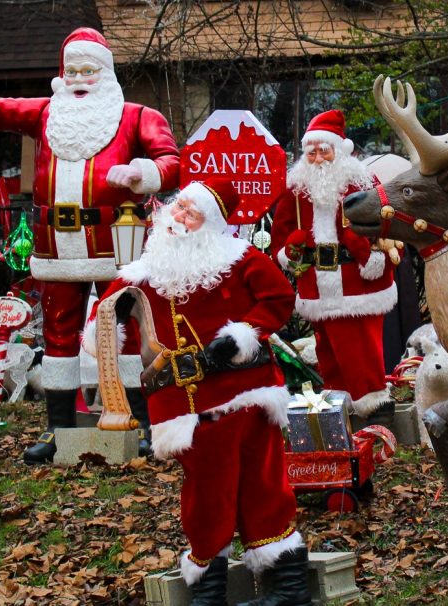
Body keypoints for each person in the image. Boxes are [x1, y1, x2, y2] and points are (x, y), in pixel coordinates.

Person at [0, 26, 180, 462]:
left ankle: (144, 424)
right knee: (57, 337)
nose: (78, 78)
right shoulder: (45, 114)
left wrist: (141, 172)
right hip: (59, 249)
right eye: (71, 70)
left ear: (105, 74)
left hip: (120, 243)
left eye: (88, 70)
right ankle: (58, 430)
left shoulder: (136, 116)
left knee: (127, 335)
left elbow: (172, 164)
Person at [83, 178, 307, 605]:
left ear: (212, 225)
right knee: (208, 493)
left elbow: (279, 297)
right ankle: (209, 589)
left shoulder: (240, 258)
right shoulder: (142, 273)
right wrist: (109, 322)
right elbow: (101, 329)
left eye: (192, 213)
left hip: (249, 391)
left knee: (263, 484)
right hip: (186, 407)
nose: (179, 218)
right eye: (179, 207)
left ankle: (289, 587)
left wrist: (243, 333)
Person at [269, 110, 396, 417]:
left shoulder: (364, 183)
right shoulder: (296, 191)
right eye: (310, 152)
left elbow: (387, 226)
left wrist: (372, 254)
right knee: (328, 347)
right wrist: (290, 250)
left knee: (359, 344)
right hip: (316, 284)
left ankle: (373, 400)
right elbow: (280, 240)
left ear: (340, 150)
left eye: (323, 150)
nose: (317, 158)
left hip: (357, 281)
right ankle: (339, 403)